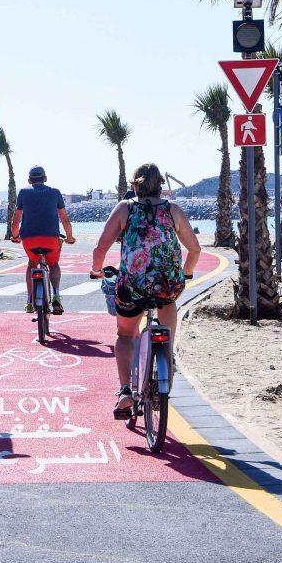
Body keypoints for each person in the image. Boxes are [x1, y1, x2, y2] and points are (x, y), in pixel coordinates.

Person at [90, 163, 201, 419]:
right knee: (167, 327)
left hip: (133, 286)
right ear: (161, 185)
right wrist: (185, 274)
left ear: (135, 185)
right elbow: (195, 250)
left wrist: (97, 270)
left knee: (125, 335)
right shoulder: (173, 210)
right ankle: (166, 363)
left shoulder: (125, 209)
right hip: (167, 286)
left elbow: (100, 249)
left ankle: (126, 391)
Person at [9, 166, 75, 315]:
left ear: (29, 180)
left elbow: (16, 221)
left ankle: (29, 300)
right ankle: (56, 296)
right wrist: (69, 237)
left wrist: (15, 236)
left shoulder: (23, 193)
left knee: (32, 263)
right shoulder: (55, 192)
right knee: (53, 264)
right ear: (45, 179)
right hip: (51, 239)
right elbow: (64, 219)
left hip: (29, 240)